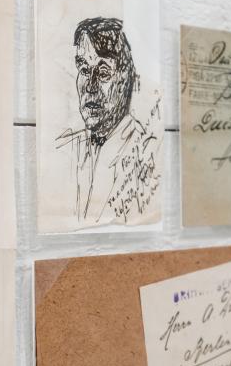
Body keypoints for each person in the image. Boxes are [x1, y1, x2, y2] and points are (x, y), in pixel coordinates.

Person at [55, 17, 158, 224]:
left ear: (125, 81)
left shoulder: (146, 153)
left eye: (103, 73)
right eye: (84, 70)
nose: (90, 86)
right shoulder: (63, 149)